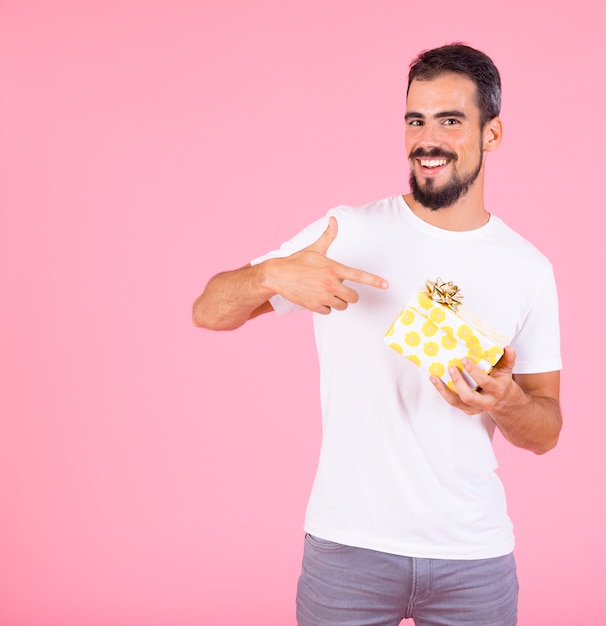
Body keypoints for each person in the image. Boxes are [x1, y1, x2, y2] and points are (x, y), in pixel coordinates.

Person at [193, 43, 562, 626]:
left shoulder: (528, 268)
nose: (427, 139)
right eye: (416, 120)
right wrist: (269, 274)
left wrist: (509, 401)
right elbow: (209, 312)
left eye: (450, 120)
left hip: (473, 557)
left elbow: (546, 431)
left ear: (492, 134)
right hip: (348, 550)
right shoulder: (348, 230)